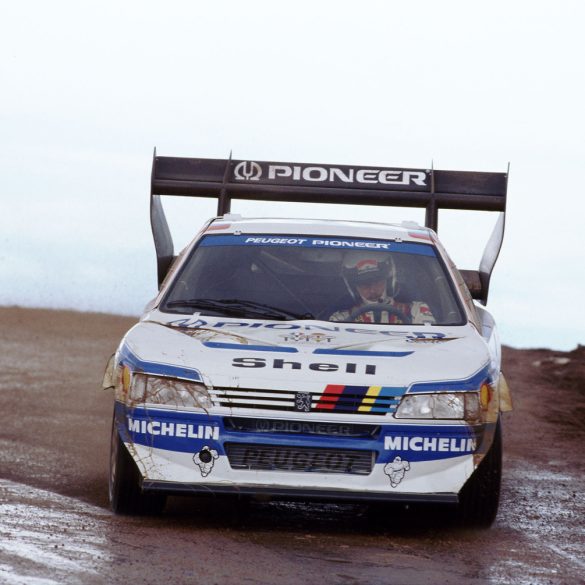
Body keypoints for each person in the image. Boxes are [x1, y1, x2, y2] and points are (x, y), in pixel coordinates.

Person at [330, 254, 435, 324]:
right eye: (364, 285)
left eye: (377, 282)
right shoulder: (341, 319)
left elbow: (427, 344)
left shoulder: (417, 311)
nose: (372, 290)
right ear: (354, 287)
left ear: (388, 280)